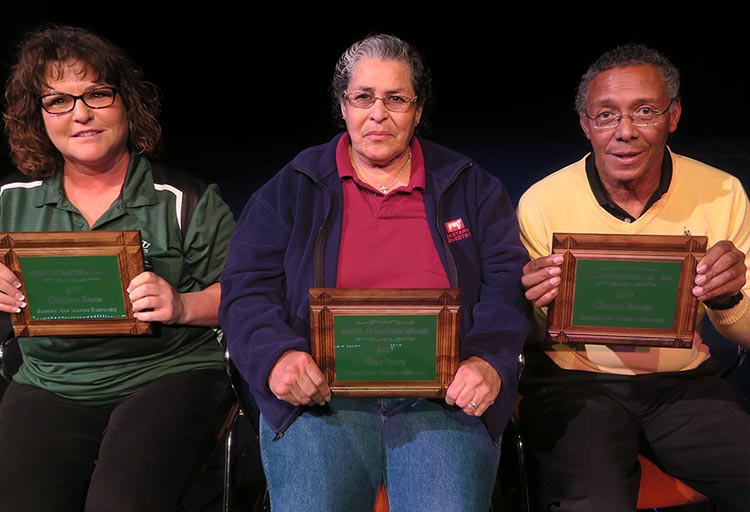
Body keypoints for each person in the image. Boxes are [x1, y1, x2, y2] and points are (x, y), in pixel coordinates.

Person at [219, 33, 532, 511]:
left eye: (396, 99)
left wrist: (489, 358)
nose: (378, 114)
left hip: (443, 396)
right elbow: (245, 289)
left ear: (418, 110)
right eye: (363, 97)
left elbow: (507, 284)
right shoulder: (294, 187)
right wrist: (276, 357)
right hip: (323, 396)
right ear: (342, 106)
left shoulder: (470, 186)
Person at [0, 24, 236, 512]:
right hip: (50, 381)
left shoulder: (185, 199)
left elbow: (244, 297)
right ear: (37, 115)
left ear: (126, 102)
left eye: (97, 95)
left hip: (169, 376)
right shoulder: (10, 202)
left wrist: (183, 304)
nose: (81, 114)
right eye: (58, 101)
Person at [516, 42, 750, 512]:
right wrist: (536, 308)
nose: (625, 132)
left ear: (674, 116)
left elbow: (745, 331)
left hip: (685, 384)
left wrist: (728, 299)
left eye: (644, 111)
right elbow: (531, 339)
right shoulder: (541, 202)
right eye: (606, 115)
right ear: (586, 125)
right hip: (575, 387)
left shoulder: (722, 192)